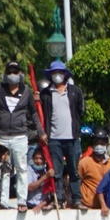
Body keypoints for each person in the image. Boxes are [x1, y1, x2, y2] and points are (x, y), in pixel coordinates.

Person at [0, 61, 42, 199]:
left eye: (15, 72)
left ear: (20, 74)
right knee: (4, 169)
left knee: (22, 168)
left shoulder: (26, 91)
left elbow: (34, 112)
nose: (12, 75)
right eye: (9, 72)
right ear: (5, 74)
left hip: (20, 136)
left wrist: (40, 131)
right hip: (2, 136)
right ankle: (3, 200)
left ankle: (21, 200)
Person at [40, 61, 85, 207]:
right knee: (57, 172)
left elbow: (81, 110)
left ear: (65, 74)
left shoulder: (75, 91)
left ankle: (76, 199)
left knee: (74, 171)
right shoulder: (45, 94)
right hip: (54, 139)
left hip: (72, 138)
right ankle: (57, 199)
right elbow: (41, 113)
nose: (57, 75)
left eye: (59, 72)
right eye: (54, 73)